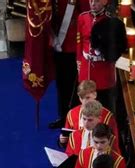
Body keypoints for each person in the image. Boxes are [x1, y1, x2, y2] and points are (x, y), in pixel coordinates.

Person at [76, 0, 126, 111]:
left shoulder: (110, 20)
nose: (93, 3)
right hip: (86, 65)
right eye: (91, 0)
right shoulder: (82, 17)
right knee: (86, 106)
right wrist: (79, 62)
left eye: (97, 1)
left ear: (104, 2)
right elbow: (79, 42)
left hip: (103, 68)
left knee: (105, 105)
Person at [48, 0, 91, 129]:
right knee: (61, 84)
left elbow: (86, 15)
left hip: (74, 46)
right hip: (58, 44)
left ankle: (77, 117)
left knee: (76, 86)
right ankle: (63, 117)